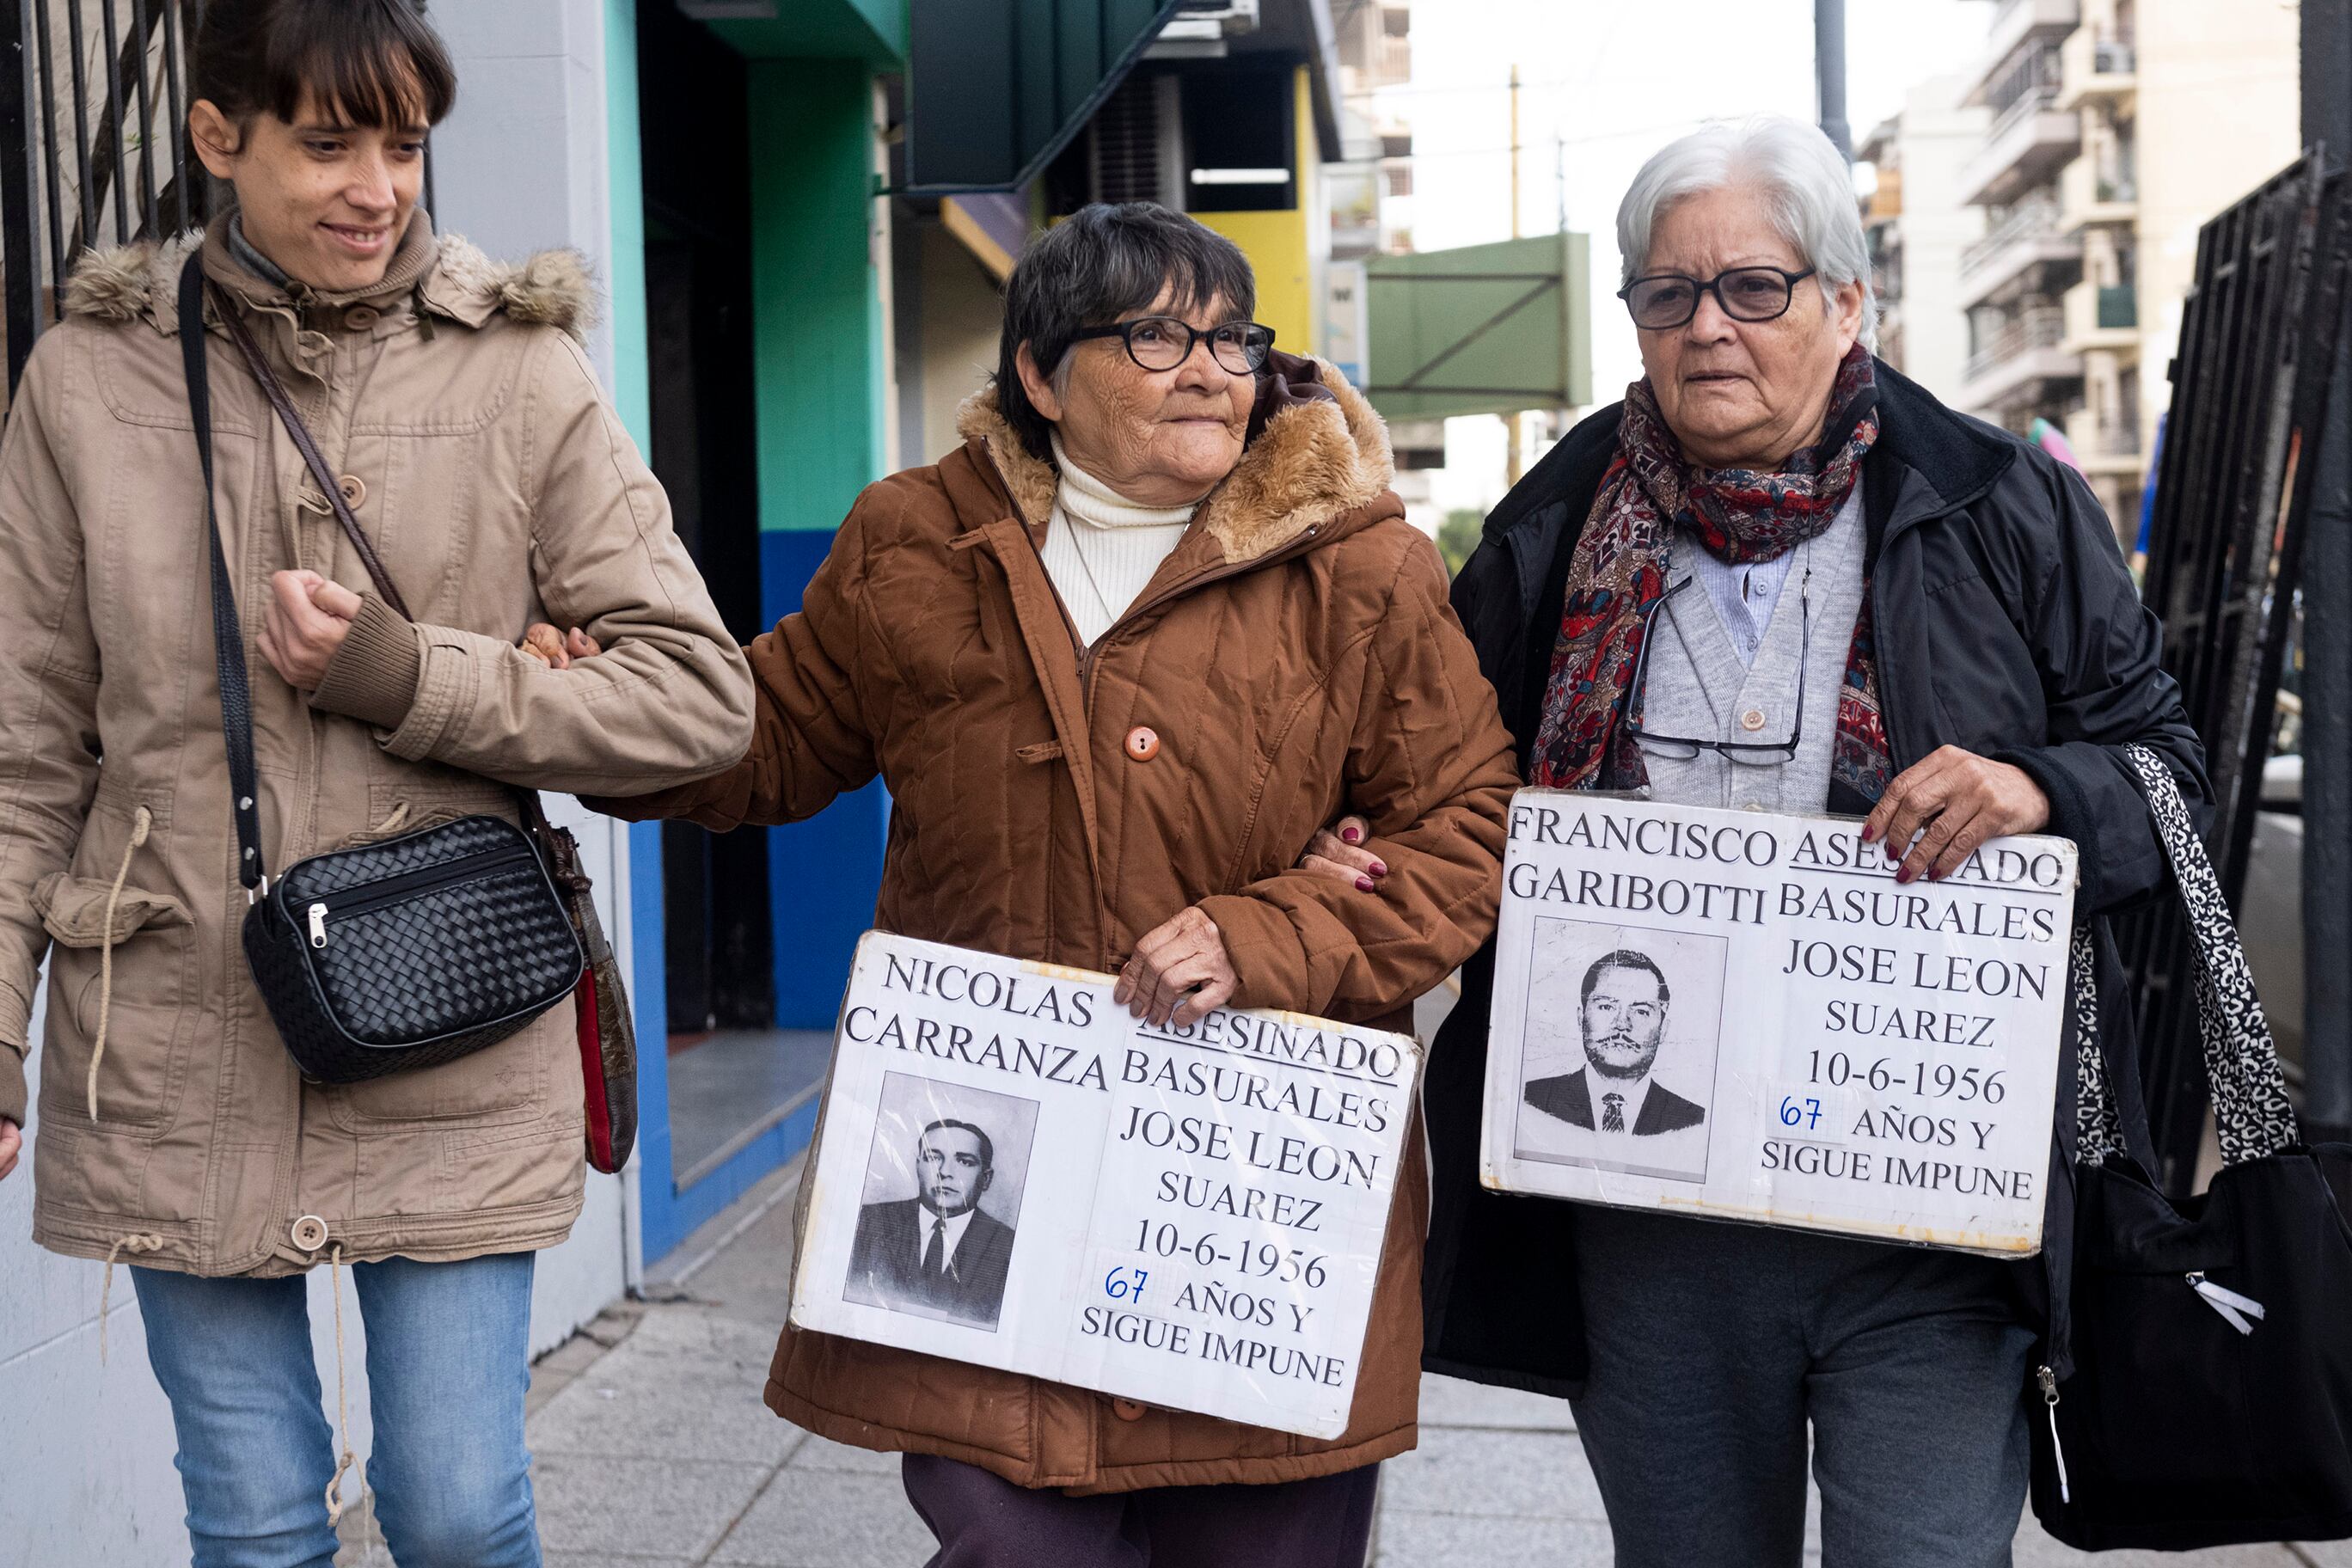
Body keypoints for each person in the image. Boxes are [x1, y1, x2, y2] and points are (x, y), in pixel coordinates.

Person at [1311, 117, 2205, 1567]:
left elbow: (2168, 767)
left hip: (1931, 1215)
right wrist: (1365, 843)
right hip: (1643, 1212)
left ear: (1847, 301)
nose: (1707, 325)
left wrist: (2041, 788)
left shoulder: (1993, 500)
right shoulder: (1558, 514)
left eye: (1754, 286)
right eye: (1668, 293)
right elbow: (1433, 779)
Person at [584, 201, 1519, 1567]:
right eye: (1153, 337)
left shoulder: (1359, 562)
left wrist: (1272, 932)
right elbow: (766, 742)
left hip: (1247, 1206)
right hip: (997, 1164)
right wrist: (578, 708)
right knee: (1013, 1544)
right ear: (1038, 373)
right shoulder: (918, 538)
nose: (1208, 369)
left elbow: (1464, 823)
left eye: (1229, 339)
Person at [0, 3, 752, 1563]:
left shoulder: (523, 371)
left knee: (458, 1507)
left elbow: (699, 701)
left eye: (403, 146)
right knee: (258, 1517)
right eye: (327, 144)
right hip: (169, 1019)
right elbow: (29, 735)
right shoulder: (85, 380)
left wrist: (411, 674)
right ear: (218, 139)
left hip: (450, 1015)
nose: (378, 189)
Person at [846, 1118, 1018, 1326]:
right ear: (918, 1166)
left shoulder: (1009, 1248)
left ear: (986, 1179)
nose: (945, 1172)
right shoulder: (868, 1221)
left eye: (964, 1161)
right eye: (933, 1158)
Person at [1522, 950, 1705, 1136]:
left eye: (1641, 1011)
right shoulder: (1529, 1100)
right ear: (1580, 1018)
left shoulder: (1695, 1122)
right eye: (1607, 1007)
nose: (1622, 1024)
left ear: (1663, 1030)